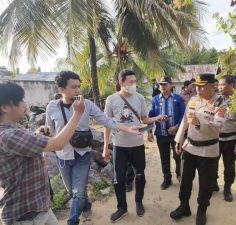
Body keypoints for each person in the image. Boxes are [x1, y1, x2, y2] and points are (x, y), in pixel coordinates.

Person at [45, 71, 139, 225]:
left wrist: (127, 128)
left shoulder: (87, 104)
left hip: (82, 155)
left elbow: (106, 120)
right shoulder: (52, 107)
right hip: (62, 157)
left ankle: (72, 221)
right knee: (73, 191)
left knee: (77, 193)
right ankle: (87, 204)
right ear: (61, 90)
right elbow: (50, 131)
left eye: (79, 87)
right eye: (73, 87)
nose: (78, 90)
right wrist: (45, 143)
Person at [0, 82, 85, 225]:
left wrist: (37, 135)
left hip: (39, 206)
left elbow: (24, 146)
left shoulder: (14, 129)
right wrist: (77, 113)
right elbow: (58, 144)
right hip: (27, 215)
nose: (24, 104)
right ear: (5, 107)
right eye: (20, 100)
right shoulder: (8, 135)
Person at [102, 69, 166, 222]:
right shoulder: (111, 100)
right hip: (120, 146)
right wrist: (105, 147)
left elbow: (144, 119)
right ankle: (122, 208)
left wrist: (157, 118)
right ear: (121, 82)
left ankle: (139, 202)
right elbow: (107, 124)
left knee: (140, 176)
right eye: (131, 82)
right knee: (119, 179)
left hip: (137, 145)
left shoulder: (140, 99)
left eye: (135, 81)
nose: (134, 85)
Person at [170, 73, 228, 225]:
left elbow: (218, 125)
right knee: (185, 181)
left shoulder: (220, 103)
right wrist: (179, 138)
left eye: (202, 86)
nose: (198, 89)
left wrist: (199, 121)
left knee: (205, 184)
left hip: (208, 150)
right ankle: (184, 206)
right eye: (196, 86)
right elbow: (185, 119)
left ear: (212, 86)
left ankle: (202, 210)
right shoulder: (193, 100)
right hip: (190, 147)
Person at [148, 76, 185, 190]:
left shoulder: (178, 99)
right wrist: (149, 131)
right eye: (161, 84)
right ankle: (167, 179)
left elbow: (184, 116)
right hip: (161, 134)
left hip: (176, 134)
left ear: (171, 84)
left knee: (178, 156)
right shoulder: (154, 100)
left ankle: (180, 175)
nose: (162, 86)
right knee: (164, 158)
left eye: (165, 84)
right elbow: (150, 116)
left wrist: (177, 126)